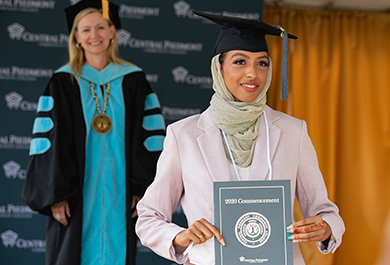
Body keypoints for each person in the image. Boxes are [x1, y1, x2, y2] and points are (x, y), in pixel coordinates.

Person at [135, 10, 345, 265]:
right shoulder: (184, 135)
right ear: (218, 68)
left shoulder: (293, 131)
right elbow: (148, 218)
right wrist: (181, 235)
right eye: (240, 62)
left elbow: (326, 213)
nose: (252, 74)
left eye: (262, 63)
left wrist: (325, 228)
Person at [21, 0, 165, 264]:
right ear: (76, 37)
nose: (94, 35)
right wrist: (56, 195)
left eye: (100, 27)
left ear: (112, 31)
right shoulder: (62, 82)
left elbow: (150, 139)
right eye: (85, 29)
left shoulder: (134, 80)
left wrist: (142, 187)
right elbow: (47, 143)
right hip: (75, 196)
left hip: (120, 194)